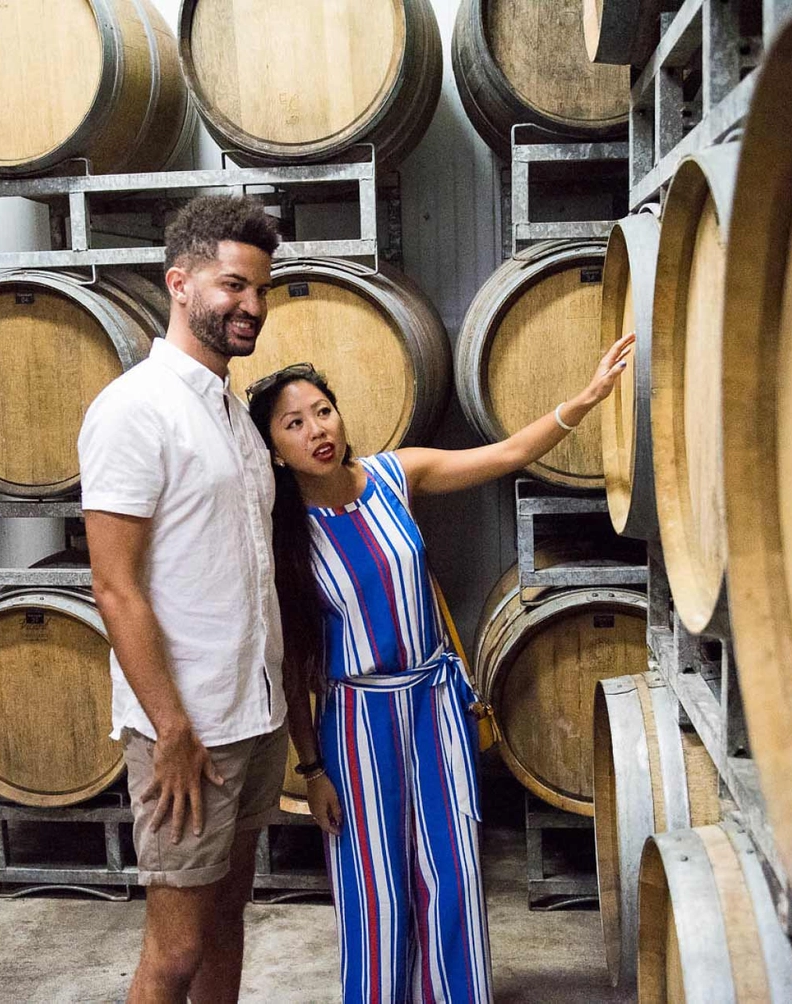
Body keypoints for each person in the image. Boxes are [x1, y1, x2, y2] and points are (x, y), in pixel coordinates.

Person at [245, 332, 634, 1002]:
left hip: (434, 703)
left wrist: (587, 398)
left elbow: (507, 453)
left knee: (450, 872)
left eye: (323, 411)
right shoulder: (282, 534)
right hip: (357, 721)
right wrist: (309, 770)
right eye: (294, 423)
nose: (317, 430)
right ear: (275, 450)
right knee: (377, 888)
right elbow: (296, 665)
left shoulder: (396, 476)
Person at [77, 195, 287, 1004]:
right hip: (188, 728)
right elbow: (114, 586)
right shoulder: (134, 411)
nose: (252, 308)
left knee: (227, 919)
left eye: (262, 291)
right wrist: (169, 727)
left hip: (250, 716)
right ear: (180, 283)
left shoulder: (233, 410)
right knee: (172, 952)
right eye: (234, 287)